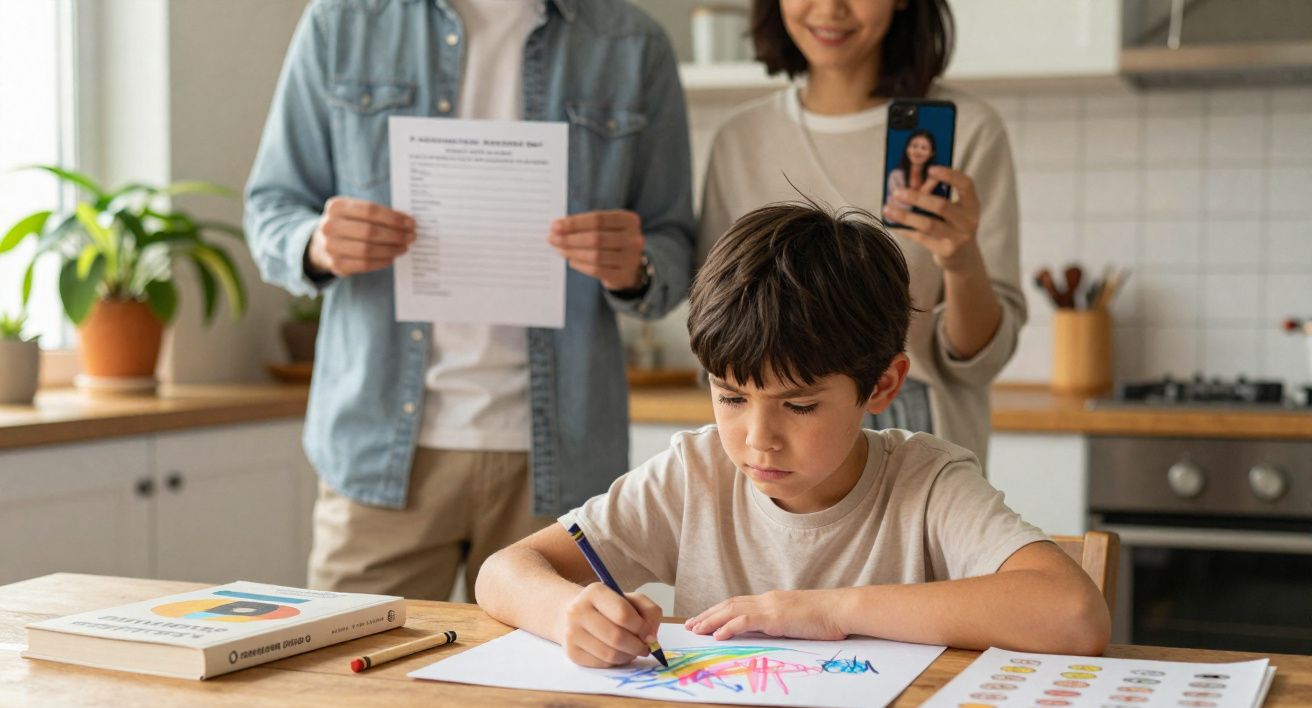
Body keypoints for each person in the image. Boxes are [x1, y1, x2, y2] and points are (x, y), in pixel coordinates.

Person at [476, 202, 1110, 666]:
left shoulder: (927, 481)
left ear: (882, 386)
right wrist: (569, 615)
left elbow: (1074, 614)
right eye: (730, 397)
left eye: (799, 406)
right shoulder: (693, 473)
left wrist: (829, 609)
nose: (758, 438)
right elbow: (504, 571)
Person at [244, 0, 694, 601]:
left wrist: (634, 265)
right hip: (381, 453)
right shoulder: (343, 21)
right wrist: (316, 244)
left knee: (546, 692)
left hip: (562, 456)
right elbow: (272, 205)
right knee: (349, 682)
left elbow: (674, 242)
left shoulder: (632, 42)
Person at [699, 0, 1024, 465]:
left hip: (916, 420)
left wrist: (960, 260)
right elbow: (715, 325)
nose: (830, 9)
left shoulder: (970, 130)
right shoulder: (740, 139)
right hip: (773, 423)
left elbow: (981, 361)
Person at [885, 128, 935, 209]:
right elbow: (898, 205)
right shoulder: (895, 175)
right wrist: (929, 184)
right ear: (907, 149)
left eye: (924, 148)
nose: (917, 151)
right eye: (914, 146)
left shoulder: (935, 178)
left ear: (931, 153)